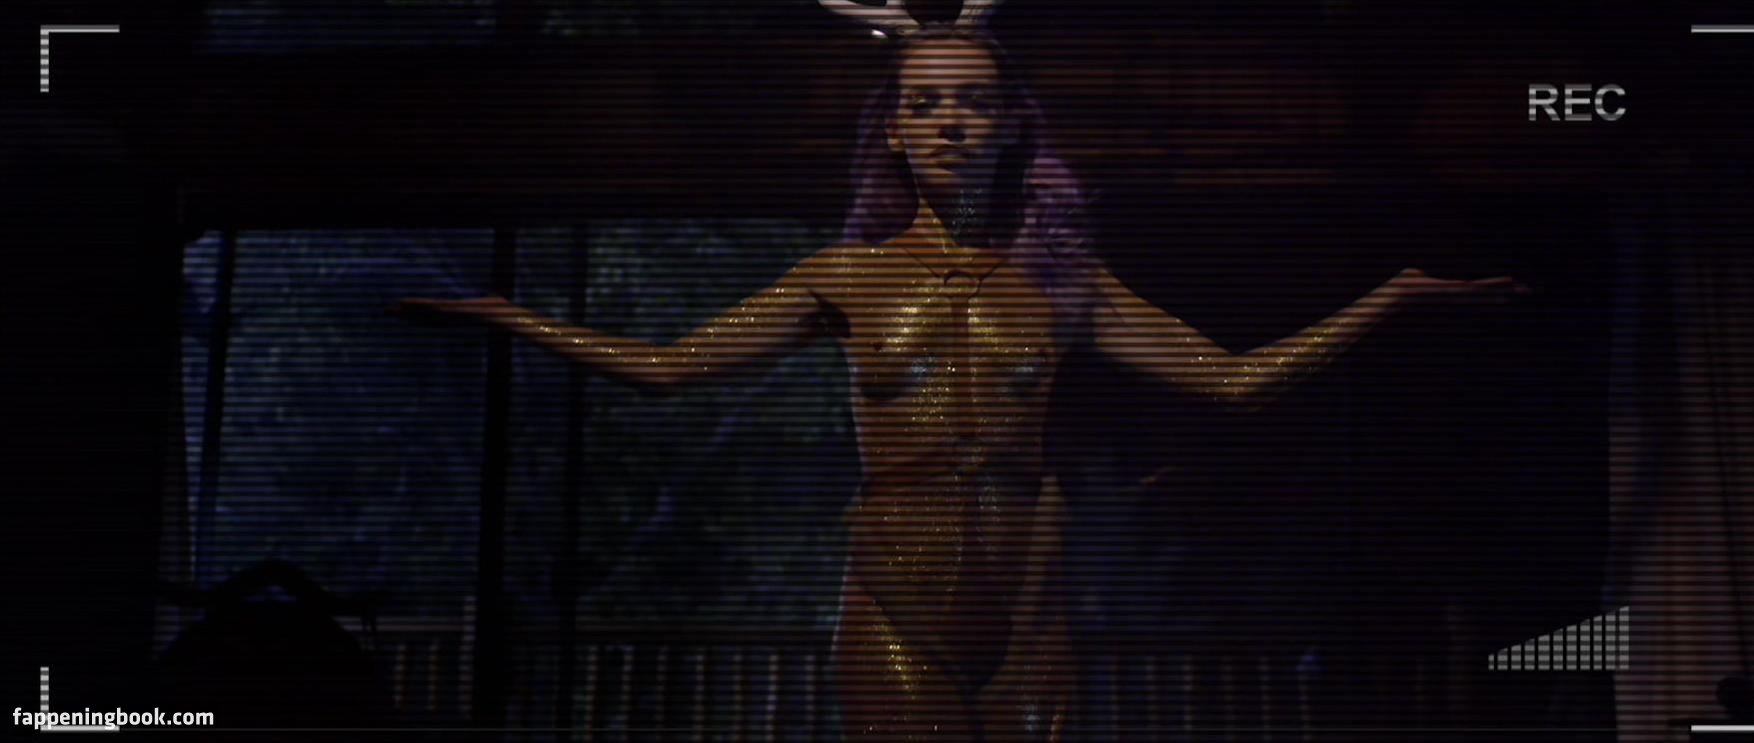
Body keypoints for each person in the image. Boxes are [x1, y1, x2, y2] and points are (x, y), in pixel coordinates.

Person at [393, 3, 1528, 739]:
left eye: (973, 101)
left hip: (1028, 602)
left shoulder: (1065, 281)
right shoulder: (847, 276)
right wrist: (505, 312)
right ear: (893, 129)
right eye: (925, 102)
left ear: (1010, 126)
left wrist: (1391, 296)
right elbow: (667, 366)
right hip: (900, 592)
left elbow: (1235, 380)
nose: (949, 123)